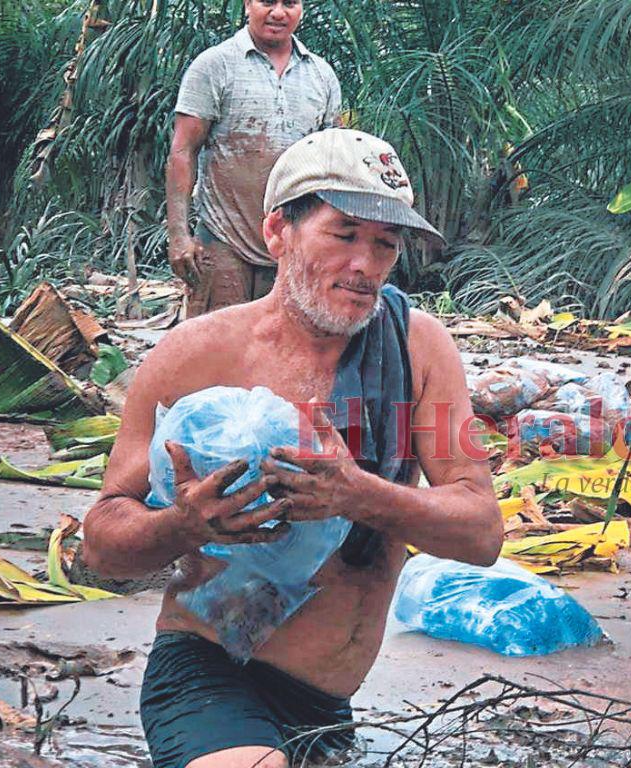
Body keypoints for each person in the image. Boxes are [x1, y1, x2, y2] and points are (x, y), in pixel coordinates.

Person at [84, 128, 504, 768]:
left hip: (326, 709)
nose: (365, 266)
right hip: (210, 674)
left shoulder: (418, 348)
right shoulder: (198, 355)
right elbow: (102, 544)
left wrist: (358, 494)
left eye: (385, 244)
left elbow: (481, 533)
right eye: (344, 235)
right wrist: (182, 524)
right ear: (278, 231)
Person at [167, 0, 343, 317]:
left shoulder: (321, 75)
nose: (278, 12)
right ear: (248, 4)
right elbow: (183, 151)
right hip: (223, 241)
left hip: (291, 245)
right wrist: (179, 235)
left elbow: (332, 161)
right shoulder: (214, 65)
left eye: (290, 3)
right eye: (267, 2)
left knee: (284, 343)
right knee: (217, 343)